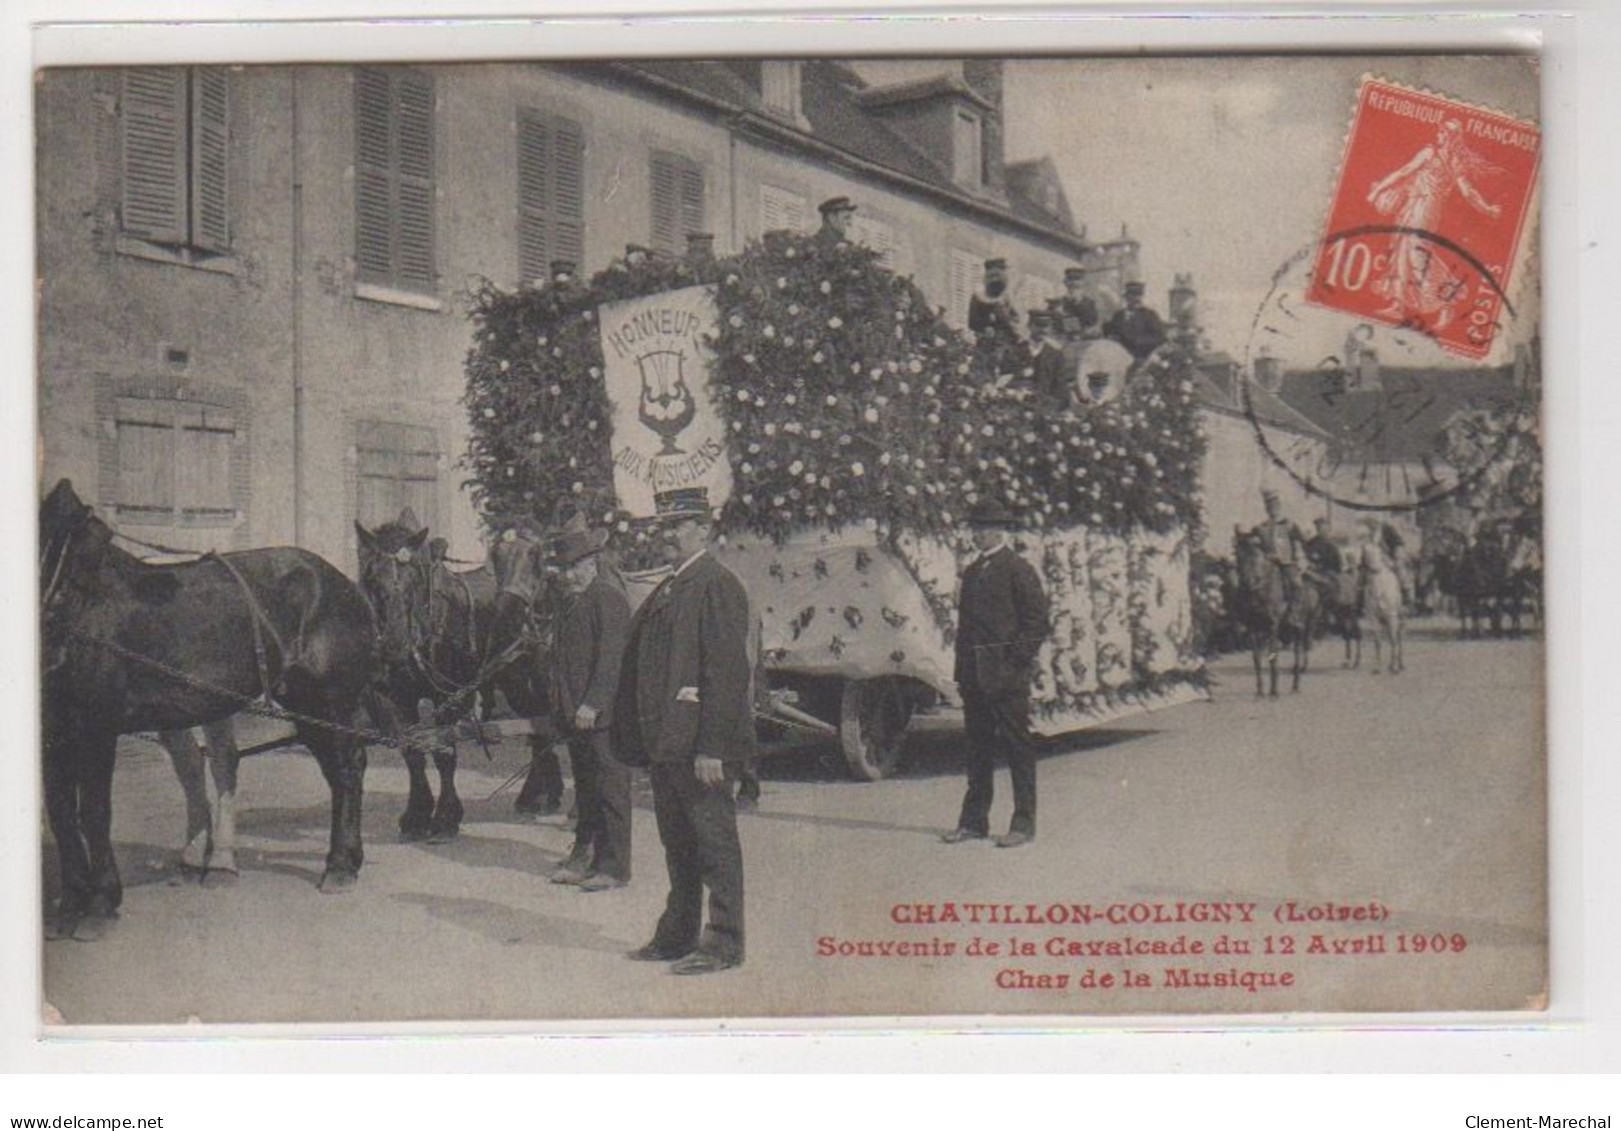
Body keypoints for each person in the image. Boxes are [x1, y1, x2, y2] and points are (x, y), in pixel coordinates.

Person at [614, 487, 754, 974]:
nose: (666, 535)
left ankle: (724, 942)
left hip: (700, 747)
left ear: (704, 530)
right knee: (679, 845)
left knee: (714, 843)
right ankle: (677, 935)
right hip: (667, 745)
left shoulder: (717, 585)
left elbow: (728, 674)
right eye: (663, 526)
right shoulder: (668, 588)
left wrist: (713, 746)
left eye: (677, 525)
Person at [942, 498, 1051, 849]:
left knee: (1018, 749)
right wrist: (962, 672)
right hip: (974, 676)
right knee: (977, 750)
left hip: (1007, 677)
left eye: (983, 528)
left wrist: (1014, 663)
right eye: (974, 528)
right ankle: (973, 822)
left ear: (999, 530)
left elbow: (1036, 622)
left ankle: (1023, 824)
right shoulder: (972, 573)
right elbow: (966, 629)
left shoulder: (1018, 569)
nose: (977, 535)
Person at [546, 524, 633, 892]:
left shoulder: (607, 598)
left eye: (576, 567)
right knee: (585, 788)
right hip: (575, 714)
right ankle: (587, 858)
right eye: (564, 569)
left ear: (593, 562)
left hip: (601, 715)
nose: (569, 576)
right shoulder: (570, 602)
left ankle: (614, 867)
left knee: (611, 788)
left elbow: (611, 660)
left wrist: (593, 703)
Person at [1253, 489, 1308, 609]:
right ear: (1266, 508)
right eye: (1269, 506)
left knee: (1297, 585)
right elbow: (1255, 545)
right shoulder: (1262, 528)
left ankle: (1295, 614)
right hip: (1268, 564)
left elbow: (1299, 543)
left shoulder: (1289, 524)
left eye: (1275, 505)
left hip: (1287, 563)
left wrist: (1299, 558)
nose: (1272, 508)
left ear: (1279, 506)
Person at [1102, 280, 1167, 363]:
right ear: (1126, 297)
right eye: (1132, 295)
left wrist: (1137, 341)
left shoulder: (1150, 315)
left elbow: (1159, 338)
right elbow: (1110, 334)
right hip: (1119, 359)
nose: (1136, 298)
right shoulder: (1118, 316)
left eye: (1139, 295)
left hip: (1141, 359)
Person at [968, 258, 1021, 342]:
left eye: (1003, 271)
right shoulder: (978, 296)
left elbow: (1016, 317)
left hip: (1006, 340)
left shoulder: (1007, 296)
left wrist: (1009, 322)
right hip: (986, 341)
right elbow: (972, 322)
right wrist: (984, 328)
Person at [1027, 309, 1071, 405]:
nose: (1042, 330)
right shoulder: (1015, 350)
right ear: (1030, 326)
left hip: (1043, 406)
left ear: (1050, 328)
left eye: (1046, 326)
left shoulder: (1055, 355)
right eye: (1038, 325)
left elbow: (1060, 385)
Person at [1055, 266, 1100, 341]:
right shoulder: (1059, 303)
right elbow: (1054, 325)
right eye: (1070, 281)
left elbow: (1091, 324)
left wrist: (1078, 303)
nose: (1073, 284)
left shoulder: (1089, 303)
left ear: (1082, 285)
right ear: (1066, 284)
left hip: (1083, 342)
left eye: (1077, 287)